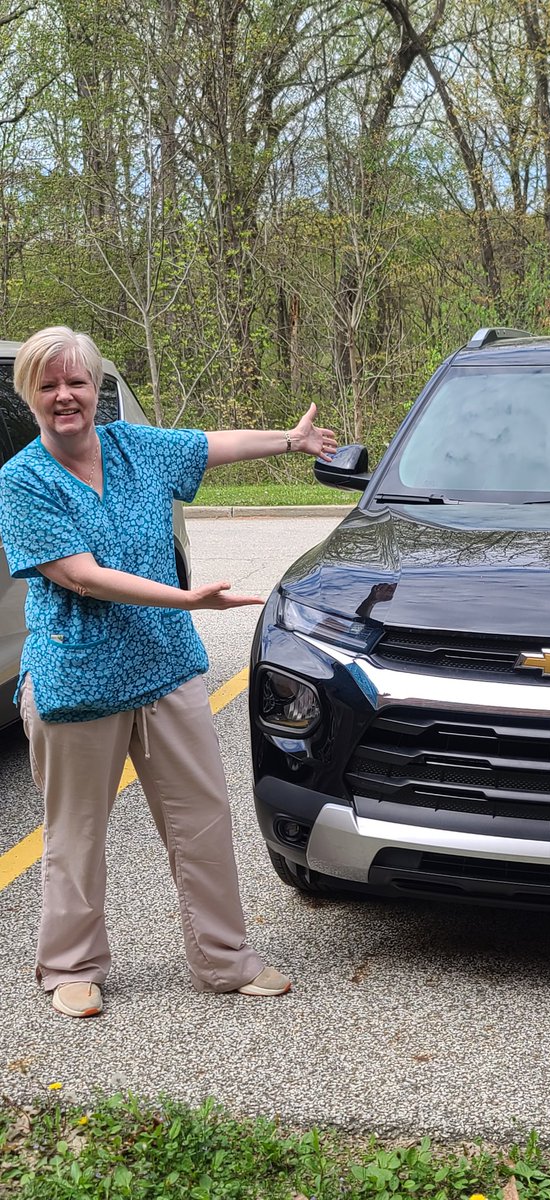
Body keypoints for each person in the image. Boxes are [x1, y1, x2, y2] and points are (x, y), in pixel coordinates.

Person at [0, 326, 339, 1018]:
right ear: (29, 394)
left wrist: (290, 440)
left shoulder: (135, 448)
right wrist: (187, 599)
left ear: (97, 389)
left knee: (203, 822)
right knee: (75, 832)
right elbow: (82, 577)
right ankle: (71, 966)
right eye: (49, 383)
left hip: (166, 672)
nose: (66, 395)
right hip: (78, 683)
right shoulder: (22, 479)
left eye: (78, 381)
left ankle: (225, 960)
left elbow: (213, 445)